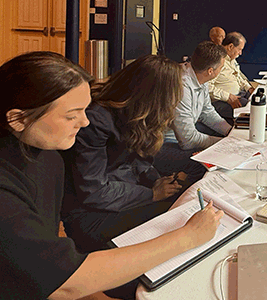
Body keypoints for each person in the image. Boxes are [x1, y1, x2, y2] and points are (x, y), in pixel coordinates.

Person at [0, 51, 222, 300]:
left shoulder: (47, 159)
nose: (84, 122)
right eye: (72, 115)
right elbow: (66, 286)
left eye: (85, 110)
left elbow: (44, 256)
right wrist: (187, 237)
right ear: (18, 119)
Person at [62, 55, 208, 254]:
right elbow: (94, 192)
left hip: (118, 193)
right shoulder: (96, 121)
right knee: (180, 217)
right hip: (89, 216)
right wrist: (152, 193)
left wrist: (157, 182)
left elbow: (138, 164)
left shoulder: (134, 114)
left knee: (183, 199)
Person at [170, 41, 233, 150]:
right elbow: (187, 141)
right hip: (167, 144)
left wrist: (230, 131)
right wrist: (228, 143)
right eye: (221, 67)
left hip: (183, 136)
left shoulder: (201, 77)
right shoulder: (182, 86)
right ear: (210, 71)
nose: (221, 70)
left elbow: (207, 112)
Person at [209, 32, 257, 120]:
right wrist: (228, 97)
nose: (240, 53)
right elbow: (207, 87)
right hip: (220, 101)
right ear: (230, 46)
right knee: (254, 110)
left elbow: (238, 77)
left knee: (258, 100)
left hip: (239, 94)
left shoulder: (232, 59)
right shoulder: (216, 59)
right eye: (239, 49)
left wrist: (249, 88)